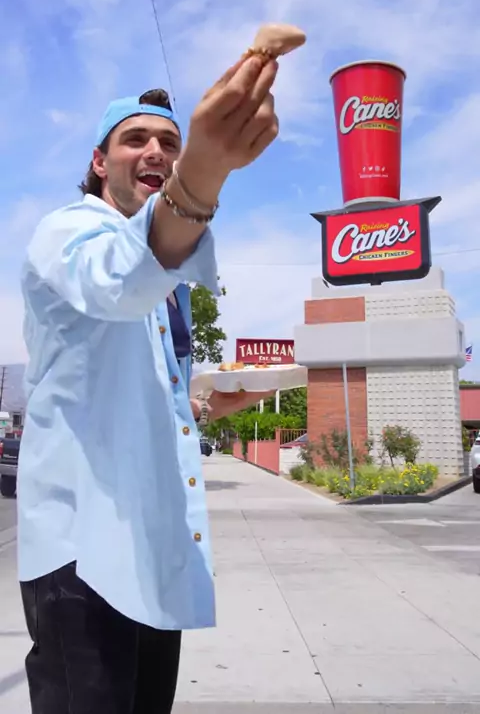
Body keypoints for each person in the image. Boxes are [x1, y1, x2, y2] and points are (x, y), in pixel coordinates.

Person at [18, 53, 279, 714]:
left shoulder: (169, 281)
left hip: (154, 550)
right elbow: (118, 279)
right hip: (83, 554)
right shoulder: (68, 232)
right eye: (135, 139)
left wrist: (206, 406)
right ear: (99, 161)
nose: (156, 150)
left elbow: (135, 391)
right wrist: (203, 175)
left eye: (170, 141)